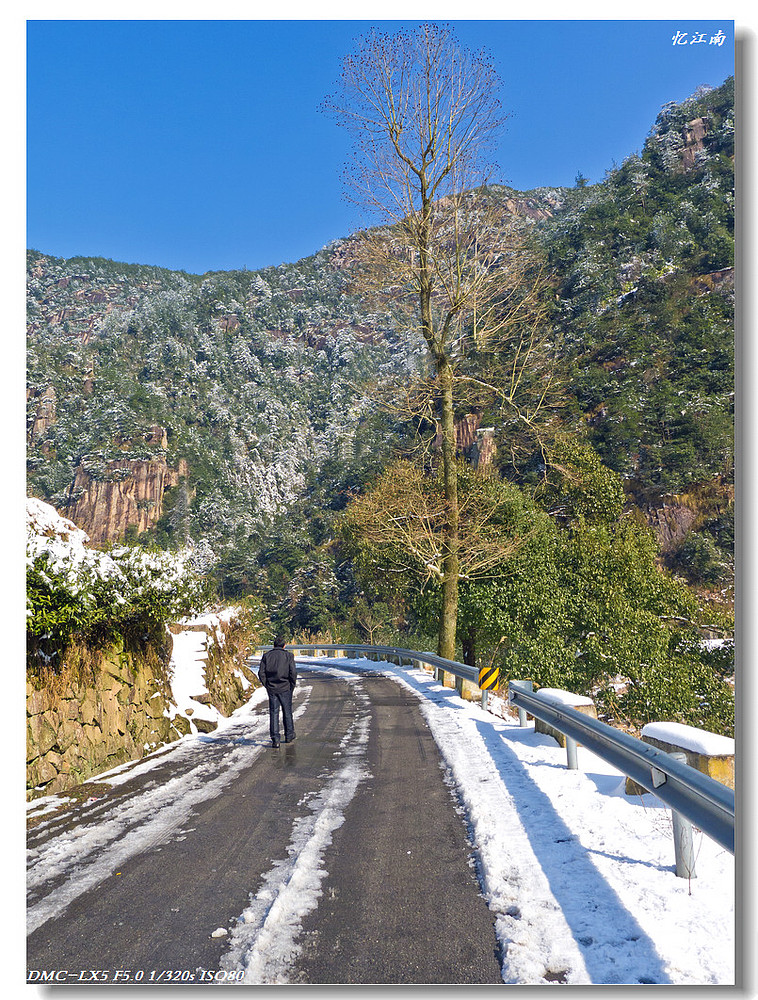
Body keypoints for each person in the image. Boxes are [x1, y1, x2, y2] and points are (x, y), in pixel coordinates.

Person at [258, 635, 297, 748]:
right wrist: (292, 685)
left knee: (274, 713)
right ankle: (289, 735)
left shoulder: (266, 656)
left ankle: (275, 739)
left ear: (274, 645)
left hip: (272, 687)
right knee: (287, 711)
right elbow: (293, 673)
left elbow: (261, 673)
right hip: (285, 687)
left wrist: (267, 685)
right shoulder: (288, 656)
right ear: (284, 645)